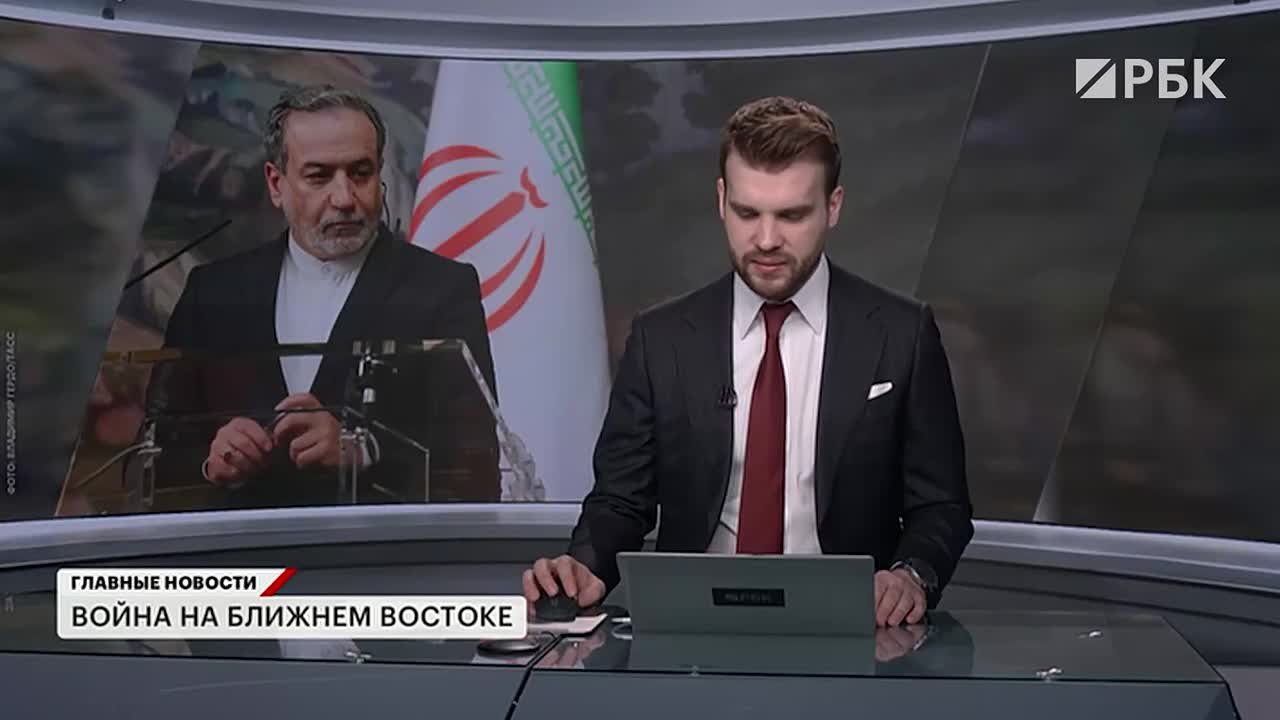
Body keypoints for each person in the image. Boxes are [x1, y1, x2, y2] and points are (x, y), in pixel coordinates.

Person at [523, 96, 973, 627]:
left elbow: (941, 507)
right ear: (721, 200)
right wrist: (585, 564)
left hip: (851, 631)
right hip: (692, 630)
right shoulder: (660, 339)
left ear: (833, 206)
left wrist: (910, 574)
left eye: (792, 215)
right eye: (747, 213)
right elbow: (620, 500)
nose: (766, 240)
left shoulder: (901, 333)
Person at [148, 85, 499, 507]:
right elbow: (150, 455)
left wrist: (365, 453)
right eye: (319, 176)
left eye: (361, 173)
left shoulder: (441, 288)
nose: (345, 198)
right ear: (276, 184)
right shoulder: (213, 292)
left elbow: (473, 464)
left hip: (378, 545)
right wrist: (211, 462)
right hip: (244, 545)